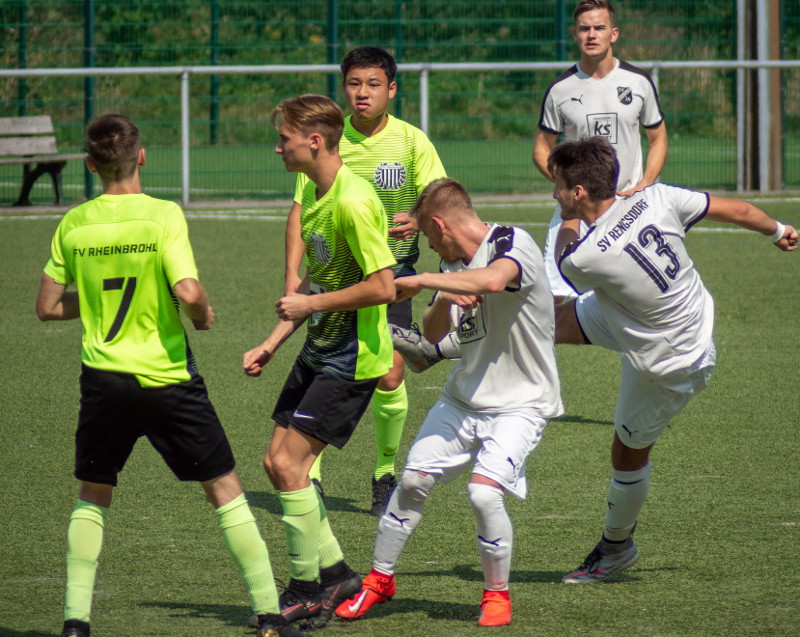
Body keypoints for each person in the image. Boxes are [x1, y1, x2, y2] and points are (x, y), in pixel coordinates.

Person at [36, 114, 306, 637]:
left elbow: (48, 306)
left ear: (90, 166)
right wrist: (203, 314)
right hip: (167, 379)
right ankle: (271, 616)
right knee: (226, 490)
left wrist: (91, 300)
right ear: (142, 157)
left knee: (93, 495)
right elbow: (187, 290)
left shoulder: (74, 224)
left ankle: (74, 623)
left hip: (104, 382)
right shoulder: (161, 215)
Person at [548, 136, 797, 583]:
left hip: (672, 358)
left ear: (579, 192)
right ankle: (440, 348)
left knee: (627, 453)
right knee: (543, 323)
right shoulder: (657, 196)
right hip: (652, 314)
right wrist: (778, 231)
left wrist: (568, 219)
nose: (554, 194)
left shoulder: (588, 254)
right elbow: (738, 210)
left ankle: (616, 545)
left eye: (559, 186)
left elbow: (563, 257)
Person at [333, 178, 564, 626]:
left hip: (522, 404)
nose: (430, 245)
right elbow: (434, 333)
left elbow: (496, 279)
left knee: (482, 493)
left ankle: (497, 596)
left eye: (427, 234)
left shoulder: (512, 241)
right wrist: (440, 294)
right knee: (414, 480)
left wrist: (418, 279)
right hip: (462, 400)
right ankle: (379, 581)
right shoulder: (451, 268)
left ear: (439, 224)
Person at [243, 95, 396, 629]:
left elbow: (382, 286)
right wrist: (273, 340)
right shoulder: (314, 191)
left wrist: (308, 305)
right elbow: (322, 278)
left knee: (289, 467)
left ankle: (306, 587)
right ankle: (335, 575)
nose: (277, 146)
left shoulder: (352, 201)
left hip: (353, 357)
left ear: (313, 141)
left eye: (283, 137)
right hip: (319, 348)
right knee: (276, 464)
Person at [283, 46, 450, 516]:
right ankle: (310, 475)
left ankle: (383, 472)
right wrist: (293, 276)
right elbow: (300, 212)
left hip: (392, 277)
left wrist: (418, 219)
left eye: (373, 84)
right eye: (354, 84)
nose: (363, 93)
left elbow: (441, 198)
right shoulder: (328, 142)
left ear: (391, 90)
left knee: (390, 373)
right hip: (333, 279)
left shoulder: (412, 142)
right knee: (321, 369)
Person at [534, 0, 668, 301]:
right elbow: (542, 148)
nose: (591, 35)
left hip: (631, 205)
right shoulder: (560, 90)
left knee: (645, 294)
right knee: (556, 299)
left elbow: (658, 139)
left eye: (599, 28)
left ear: (614, 33)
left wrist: (645, 183)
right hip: (577, 209)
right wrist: (567, 186)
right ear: (574, 34)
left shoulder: (639, 82)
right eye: (584, 29)